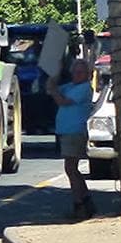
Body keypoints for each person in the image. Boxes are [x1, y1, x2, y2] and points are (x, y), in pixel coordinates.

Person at [47, 58, 96, 220]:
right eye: (74, 72)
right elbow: (51, 89)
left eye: (80, 72)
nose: (76, 74)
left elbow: (62, 100)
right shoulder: (71, 86)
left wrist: (54, 90)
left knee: (71, 169)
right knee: (73, 169)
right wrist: (54, 73)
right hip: (67, 132)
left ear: (87, 74)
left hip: (75, 132)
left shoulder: (83, 89)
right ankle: (86, 200)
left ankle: (79, 204)